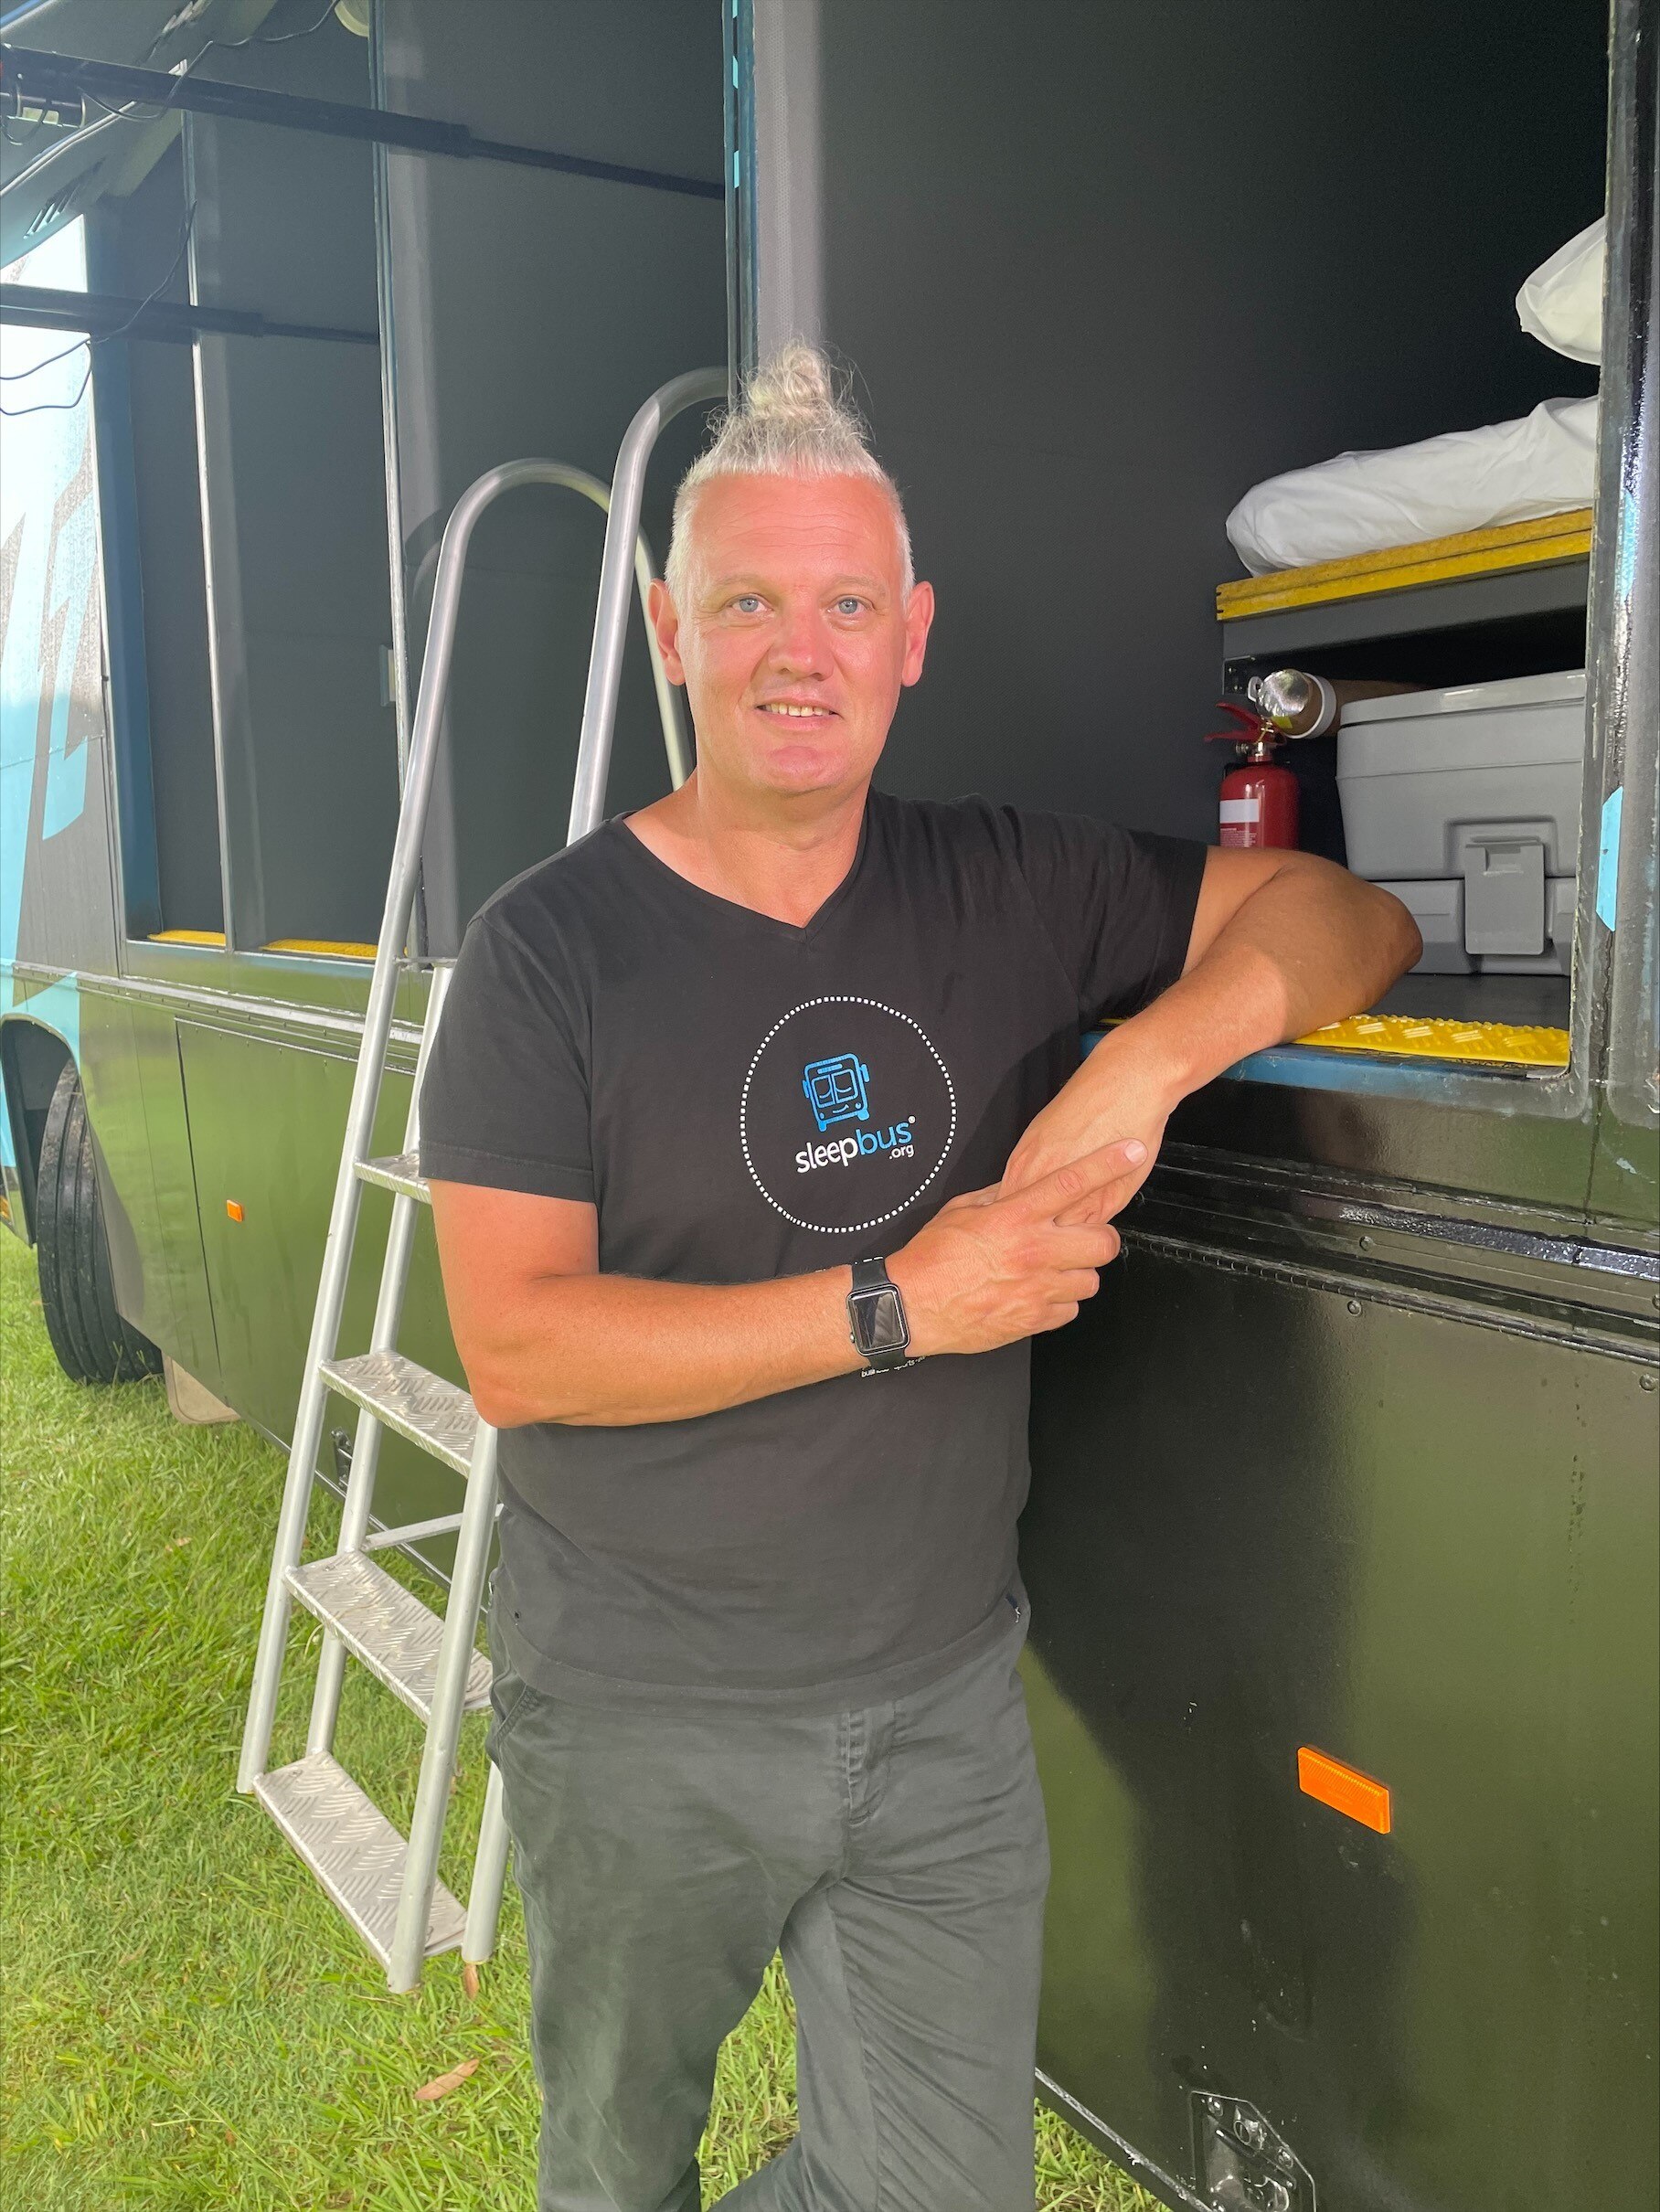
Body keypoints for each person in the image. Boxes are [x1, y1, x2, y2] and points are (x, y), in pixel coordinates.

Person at [420, 345, 1420, 2212]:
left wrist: (1143, 1055)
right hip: (643, 1713)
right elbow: (518, 1344)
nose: (800, 651)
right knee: (614, 2160)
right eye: (747, 603)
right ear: (669, 629)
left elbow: (1344, 916)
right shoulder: (544, 953)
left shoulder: (1009, 885)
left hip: (939, 1711)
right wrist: (899, 1299)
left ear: (912, 634)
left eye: (846, 604)